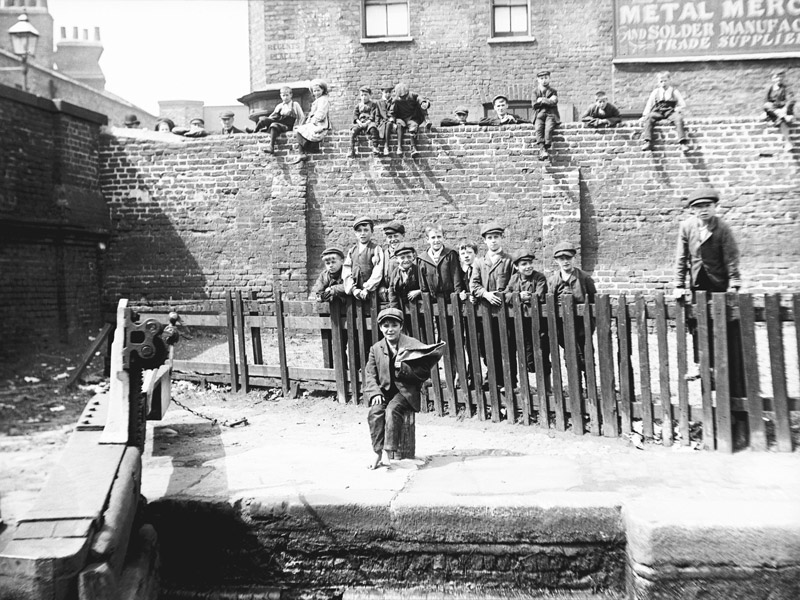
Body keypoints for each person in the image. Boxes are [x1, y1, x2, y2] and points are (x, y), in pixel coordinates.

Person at [673, 187, 741, 380]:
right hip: (697, 283)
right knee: (696, 323)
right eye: (699, 207)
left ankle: (720, 366)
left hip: (718, 283)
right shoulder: (687, 227)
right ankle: (699, 364)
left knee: (719, 322)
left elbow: (731, 257)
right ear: (693, 210)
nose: (704, 210)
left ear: (715, 207)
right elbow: (681, 257)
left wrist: (734, 282)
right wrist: (679, 284)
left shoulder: (722, 228)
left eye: (707, 206)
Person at [365, 308, 439, 470]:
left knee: (392, 410)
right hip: (385, 390)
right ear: (380, 328)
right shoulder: (376, 348)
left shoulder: (412, 345)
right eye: (385, 326)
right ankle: (377, 451)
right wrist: (375, 392)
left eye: (394, 325)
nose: (390, 329)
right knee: (376, 411)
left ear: (401, 326)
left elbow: (424, 371)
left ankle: (387, 451)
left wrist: (403, 368)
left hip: (405, 391)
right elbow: (369, 374)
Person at [470, 222, 515, 389]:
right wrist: (486, 294)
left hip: (506, 311)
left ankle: (510, 381)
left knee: (508, 347)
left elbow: (514, 283)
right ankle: (492, 379)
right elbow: (473, 285)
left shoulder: (510, 261)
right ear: (485, 241)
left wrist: (503, 296)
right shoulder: (479, 262)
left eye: (496, 237)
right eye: (490, 238)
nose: (493, 241)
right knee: (488, 346)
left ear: (501, 238)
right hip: (486, 312)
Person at [548, 242, 596, 373]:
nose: (565, 262)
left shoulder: (585, 278)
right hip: (562, 325)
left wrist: (590, 324)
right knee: (570, 356)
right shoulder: (553, 280)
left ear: (574, 258)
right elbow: (549, 302)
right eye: (561, 259)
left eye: (568, 258)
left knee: (587, 356)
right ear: (556, 261)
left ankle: (589, 387)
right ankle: (576, 389)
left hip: (582, 325)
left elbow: (593, 302)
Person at [507, 249, 550, 387]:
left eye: (530, 263)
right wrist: (517, 296)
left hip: (538, 322)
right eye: (524, 264)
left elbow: (539, 295)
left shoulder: (539, 278)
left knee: (541, 352)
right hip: (520, 323)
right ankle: (527, 387)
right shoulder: (514, 279)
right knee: (526, 353)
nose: (528, 266)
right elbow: (506, 294)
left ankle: (546, 387)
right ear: (516, 267)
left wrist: (526, 297)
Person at [640, 71, 688, 152]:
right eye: (661, 81)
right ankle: (647, 141)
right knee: (649, 117)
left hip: (670, 112)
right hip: (658, 112)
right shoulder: (655, 92)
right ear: (658, 82)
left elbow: (683, 104)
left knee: (678, 118)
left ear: (669, 80)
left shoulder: (674, 91)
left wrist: (677, 109)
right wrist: (644, 115)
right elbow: (649, 105)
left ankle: (682, 143)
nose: (663, 83)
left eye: (665, 81)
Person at [344, 216, 385, 302]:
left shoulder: (376, 249)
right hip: (355, 293)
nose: (362, 233)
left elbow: (378, 271)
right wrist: (353, 289)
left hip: (371, 292)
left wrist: (367, 288)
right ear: (355, 233)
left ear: (372, 232)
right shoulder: (352, 251)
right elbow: (346, 271)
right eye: (359, 231)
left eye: (366, 230)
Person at [290, 79, 331, 164]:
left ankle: (305, 151)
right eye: (314, 91)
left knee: (300, 130)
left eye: (318, 90)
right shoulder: (317, 100)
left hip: (320, 124)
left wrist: (312, 122)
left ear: (323, 90)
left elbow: (321, 113)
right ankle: (303, 152)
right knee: (299, 129)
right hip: (315, 122)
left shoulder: (323, 100)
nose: (316, 93)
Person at [254, 86, 305, 154]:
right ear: (281, 96)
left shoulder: (295, 105)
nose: (285, 97)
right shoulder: (280, 106)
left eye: (287, 95)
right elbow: (272, 117)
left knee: (274, 125)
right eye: (283, 95)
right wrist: (274, 115)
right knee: (263, 119)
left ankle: (271, 147)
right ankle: (254, 131)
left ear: (291, 95)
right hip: (278, 122)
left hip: (287, 125)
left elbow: (302, 117)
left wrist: (298, 126)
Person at [390, 82, 426, 158]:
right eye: (401, 97)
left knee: (413, 127)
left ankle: (413, 148)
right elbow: (392, 112)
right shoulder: (395, 101)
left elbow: (420, 98)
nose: (404, 98)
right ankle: (399, 147)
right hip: (401, 119)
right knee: (399, 125)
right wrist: (392, 121)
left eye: (405, 96)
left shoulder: (413, 96)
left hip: (411, 118)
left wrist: (423, 102)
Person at [764, 69, 795, 152]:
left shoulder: (786, 88)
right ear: (772, 79)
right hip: (775, 111)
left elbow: (791, 100)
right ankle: (783, 116)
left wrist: (784, 109)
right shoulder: (769, 89)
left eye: (780, 77)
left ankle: (788, 142)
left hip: (784, 110)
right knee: (767, 105)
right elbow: (766, 102)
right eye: (776, 77)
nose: (779, 79)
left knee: (782, 121)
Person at [532, 70, 560, 161]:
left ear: (549, 79)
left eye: (546, 78)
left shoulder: (553, 91)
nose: (544, 80)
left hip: (550, 114)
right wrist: (547, 100)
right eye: (542, 78)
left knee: (549, 129)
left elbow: (554, 102)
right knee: (538, 128)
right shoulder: (535, 92)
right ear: (538, 80)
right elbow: (534, 105)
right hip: (539, 114)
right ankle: (542, 149)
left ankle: (546, 148)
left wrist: (542, 100)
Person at [387, 243, 422, 316]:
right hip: (402, 307)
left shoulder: (418, 270)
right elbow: (392, 292)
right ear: (397, 259)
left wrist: (418, 291)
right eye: (402, 258)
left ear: (413, 257)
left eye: (409, 257)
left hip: (419, 307)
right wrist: (394, 309)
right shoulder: (395, 273)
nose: (406, 260)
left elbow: (427, 286)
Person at [349, 86, 381, 158]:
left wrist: (367, 123)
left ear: (370, 95)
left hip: (369, 122)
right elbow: (355, 115)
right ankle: (351, 149)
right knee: (353, 131)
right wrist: (359, 122)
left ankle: (375, 147)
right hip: (360, 122)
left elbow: (373, 115)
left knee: (373, 129)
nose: (364, 97)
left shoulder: (373, 104)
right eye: (362, 95)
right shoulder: (358, 105)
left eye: (366, 95)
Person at [381, 221, 406, 301]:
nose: (393, 239)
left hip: (402, 293)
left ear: (403, 236)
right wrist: (382, 286)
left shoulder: (408, 253)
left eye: (396, 236)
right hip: (386, 295)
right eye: (390, 237)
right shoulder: (383, 253)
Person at [376, 85, 394, 157]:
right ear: (382, 92)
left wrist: (393, 118)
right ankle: (380, 147)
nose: (388, 94)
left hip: (390, 122)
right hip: (382, 122)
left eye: (389, 92)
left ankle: (386, 146)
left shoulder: (393, 101)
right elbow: (377, 114)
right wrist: (377, 124)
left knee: (389, 124)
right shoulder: (379, 102)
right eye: (386, 92)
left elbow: (395, 112)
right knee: (383, 126)